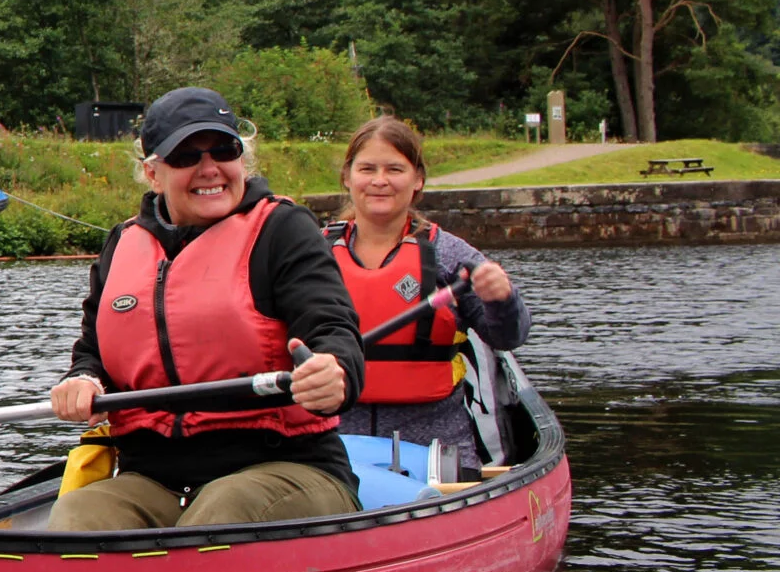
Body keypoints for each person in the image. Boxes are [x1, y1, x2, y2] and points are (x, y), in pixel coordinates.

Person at [47, 87, 365, 530]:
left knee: (223, 509)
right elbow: (92, 353)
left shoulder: (283, 230)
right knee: (80, 514)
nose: (209, 168)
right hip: (155, 477)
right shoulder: (122, 244)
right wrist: (81, 380)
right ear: (153, 173)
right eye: (186, 157)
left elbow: (333, 329)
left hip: (288, 467)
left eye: (224, 150)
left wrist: (336, 372)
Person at [329, 115, 528, 457]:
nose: (380, 181)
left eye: (395, 169)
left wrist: (502, 300)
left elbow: (508, 337)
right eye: (367, 169)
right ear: (347, 177)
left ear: (417, 179)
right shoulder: (310, 254)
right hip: (334, 443)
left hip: (433, 445)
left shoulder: (450, 255)